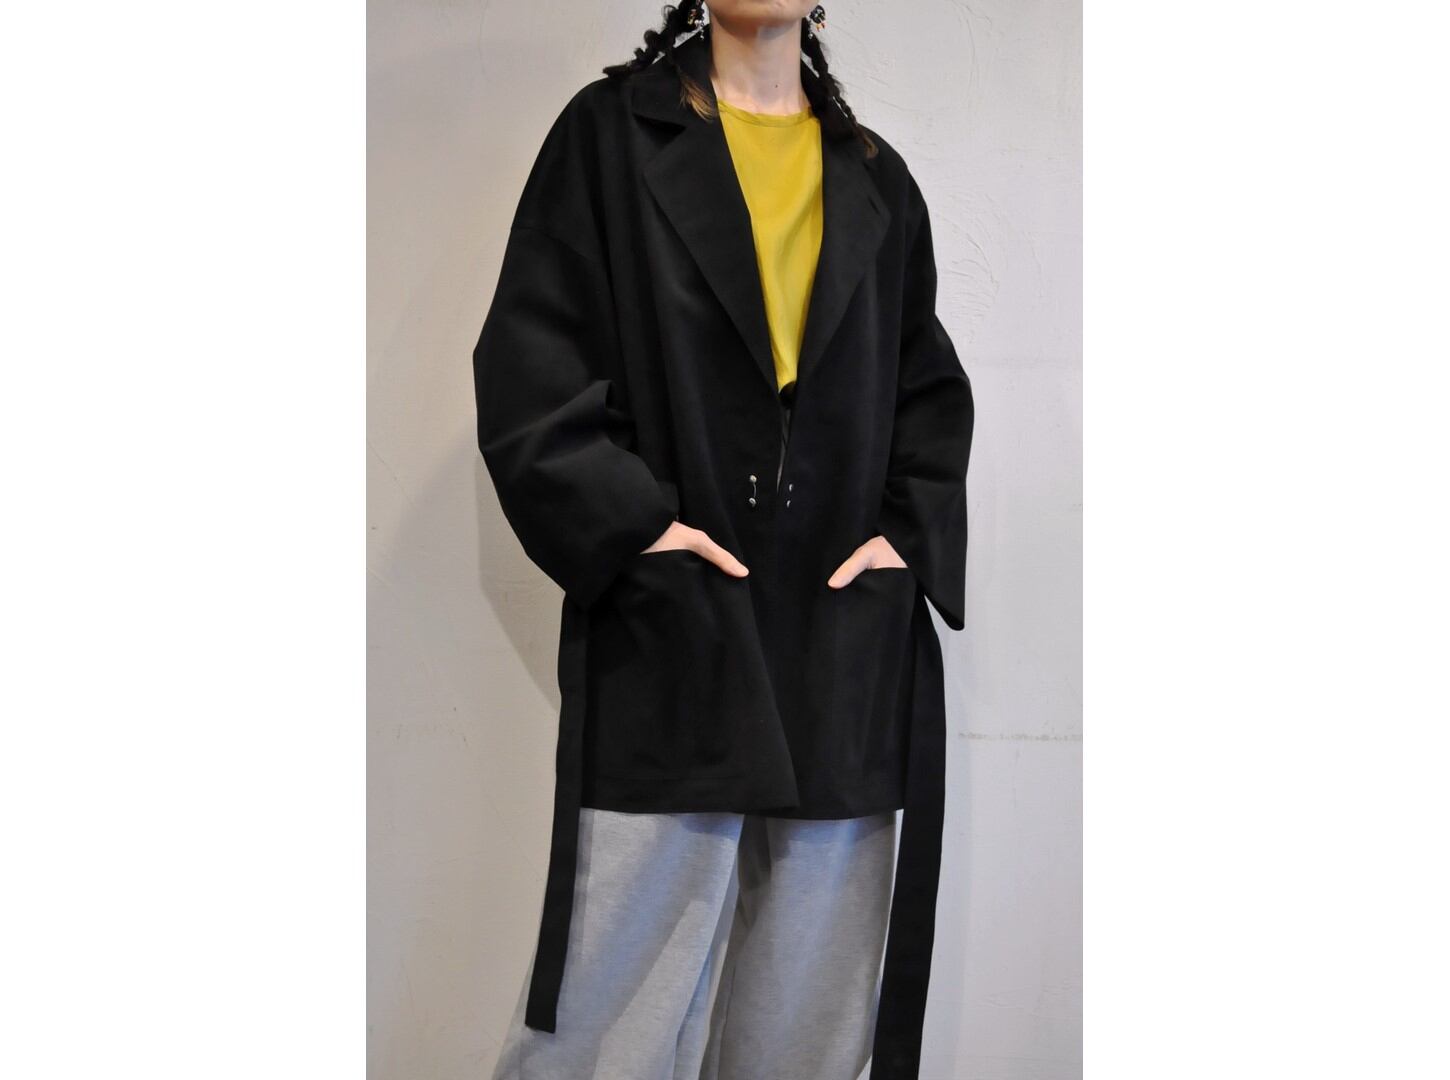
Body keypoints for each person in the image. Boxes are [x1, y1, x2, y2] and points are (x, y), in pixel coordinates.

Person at [472, 3, 974, 1077]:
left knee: (806, 1036)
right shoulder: (609, 137)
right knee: (606, 1027)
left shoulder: (875, 178)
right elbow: (530, 367)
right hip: (675, 635)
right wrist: (637, 530)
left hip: (839, 644)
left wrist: (904, 541)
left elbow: (926, 394)